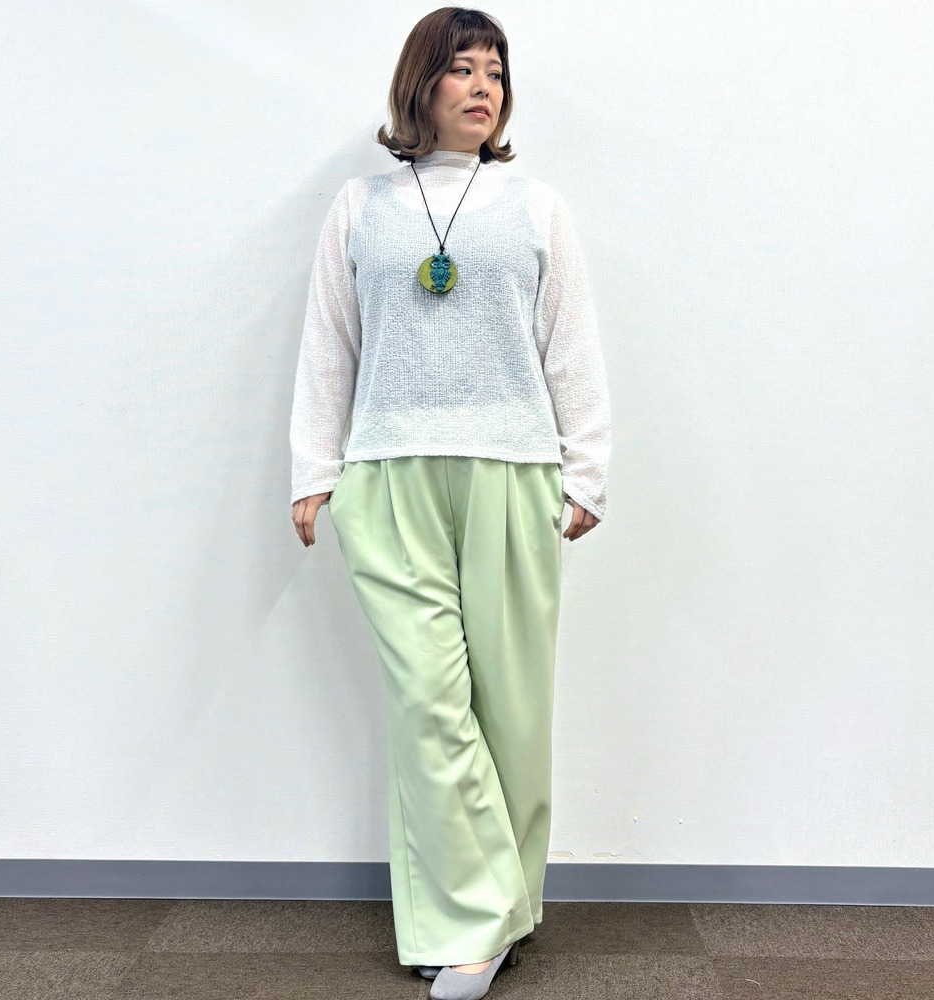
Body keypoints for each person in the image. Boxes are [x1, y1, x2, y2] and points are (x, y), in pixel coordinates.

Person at [289, 8, 611, 999]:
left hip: (513, 470)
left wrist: (585, 471)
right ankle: (477, 920)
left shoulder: (536, 207)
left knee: (510, 709)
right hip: (387, 472)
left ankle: (492, 915)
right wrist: (314, 470)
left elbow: (570, 343)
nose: (482, 88)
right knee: (431, 703)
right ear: (419, 85)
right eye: (461, 69)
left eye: (495, 72)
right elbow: (330, 341)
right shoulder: (360, 207)